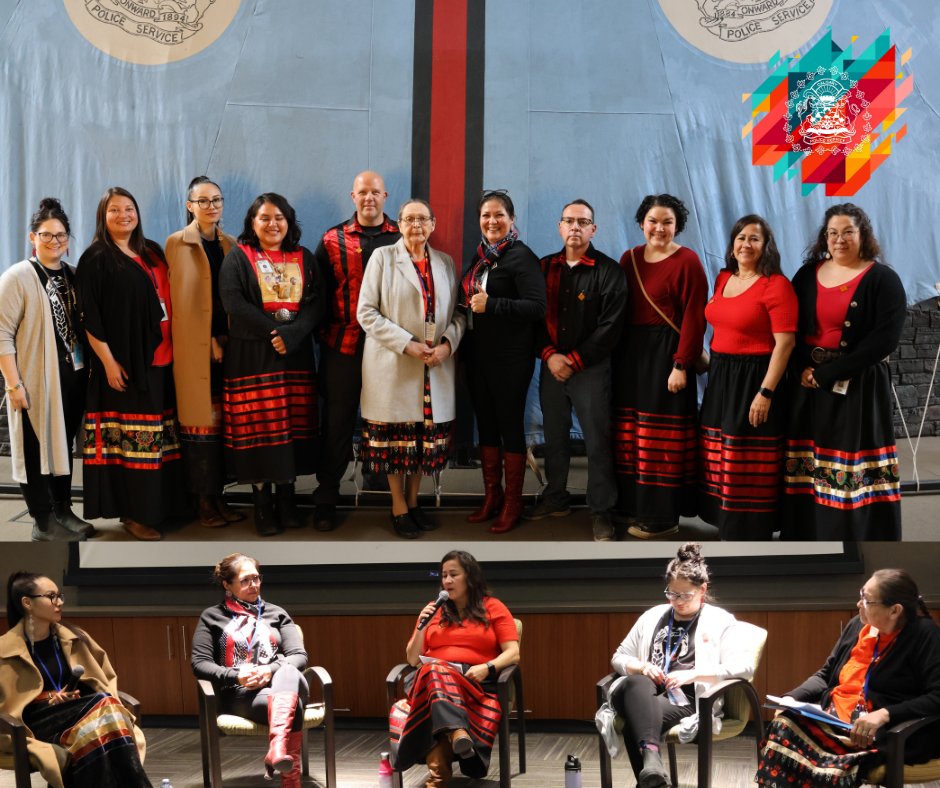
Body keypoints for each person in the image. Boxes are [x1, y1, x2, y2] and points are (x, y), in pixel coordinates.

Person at [783, 203, 906, 540]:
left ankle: (851, 538)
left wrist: (827, 374)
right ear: (825, 237)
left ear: (862, 234)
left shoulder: (883, 279)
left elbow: (883, 341)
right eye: (833, 233)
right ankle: (806, 536)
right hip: (807, 385)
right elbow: (788, 326)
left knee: (849, 464)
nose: (840, 239)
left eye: (848, 232)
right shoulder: (806, 274)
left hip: (858, 386)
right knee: (808, 463)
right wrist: (800, 369)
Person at [756, 569, 940, 787]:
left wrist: (884, 714)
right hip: (835, 718)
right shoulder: (858, 626)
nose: (859, 604)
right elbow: (826, 675)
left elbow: (937, 696)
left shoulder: (925, 635)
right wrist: (790, 698)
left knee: (828, 762)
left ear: (894, 611)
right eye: (862, 594)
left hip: (882, 732)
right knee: (782, 725)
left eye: (868, 600)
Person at [76, 186, 186, 541]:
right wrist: (108, 362)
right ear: (102, 217)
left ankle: (162, 509)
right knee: (134, 446)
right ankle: (134, 515)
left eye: (129, 208)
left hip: (163, 361)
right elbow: (88, 317)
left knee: (161, 441)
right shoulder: (96, 258)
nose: (123, 215)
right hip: (125, 366)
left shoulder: (151, 251)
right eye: (114, 210)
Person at [357, 199, 466, 538]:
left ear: (433, 224)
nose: (416, 224)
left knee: (421, 439)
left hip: (434, 366)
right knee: (395, 440)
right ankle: (397, 506)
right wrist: (407, 343)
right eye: (409, 218)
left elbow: (460, 313)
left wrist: (447, 343)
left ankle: (414, 501)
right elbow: (366, 313)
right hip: (394, 363)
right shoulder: (383, 258)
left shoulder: (445, 263)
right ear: (398, 224)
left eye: (422, 219)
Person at [608, 543, 758, 788]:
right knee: (637, 682)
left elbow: (744, 667)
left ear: (702, 589)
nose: (677, 602)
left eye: (685, 595)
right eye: (671, 594)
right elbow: (619, 657)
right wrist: (641, 667)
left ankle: (651, 771)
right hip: (644, 691)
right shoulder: (652, 616)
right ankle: (652, 765)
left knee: (638, 718)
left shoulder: (720, 620)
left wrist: (693, 674)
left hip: (685, 699)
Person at [219, 193, 325, 536]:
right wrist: (275, 331)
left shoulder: (304, 257)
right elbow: (233, 302)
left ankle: (287, 500)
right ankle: (262, 505)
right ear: (252, 222)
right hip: (253, 355)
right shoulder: (238, 257)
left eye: (279, 217)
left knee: (290, 427)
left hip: (294, 354)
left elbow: (317, 303)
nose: (272, 224)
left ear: (289, 221)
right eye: (264, 218)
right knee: (261, 429)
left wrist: (294, 334)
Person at [527, 199, 626, 541]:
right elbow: (532, 317)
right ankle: (556, 498)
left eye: (583, 222)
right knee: (554, 438)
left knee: (597, 441)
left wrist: (575, 361)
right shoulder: (542, 268)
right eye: (568, 220)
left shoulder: (609, 271)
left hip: (591, 370)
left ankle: (601, 512)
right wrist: (550, 355)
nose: (575, 227)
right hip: (552, 367)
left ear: (593, 229)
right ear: (559, 226)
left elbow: (610, 328)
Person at [612, 194, 707, 539]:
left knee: (659, 439)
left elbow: (695, 318)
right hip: (631, 357)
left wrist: (681, 364)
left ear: (677, 225)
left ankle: (661, 516)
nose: (659, 228)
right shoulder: (630, 258)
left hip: (667, 356)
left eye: (667, 222)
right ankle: (633, 505)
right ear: (641, 223)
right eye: (653, 221)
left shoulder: (688, 262)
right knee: (631, 434)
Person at [0, 198, 94, 542]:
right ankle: (42, 520)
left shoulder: (71, 275)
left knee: (62, 446)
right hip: (33, 383)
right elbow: (1, 333)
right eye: (46, 235)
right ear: (32, 237)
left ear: (68, 239)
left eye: (60, 236)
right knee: (34, 447)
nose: (54, 242)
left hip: (70, 378)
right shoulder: (18, 277)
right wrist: (14, 385)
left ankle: (63, 509)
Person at [1, 571, 150, 787]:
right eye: (51, 596)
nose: (59, 602)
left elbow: (103, 678)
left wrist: (76, 695)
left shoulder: (75, 637)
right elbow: (7, 708)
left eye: (60, 596)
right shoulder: (4, 650)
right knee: (104, 706)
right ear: (27, 603)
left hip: (81, 717)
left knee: (91, 730)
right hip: (31, 726)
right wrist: (45, 697)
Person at [698, 215, 797, 540]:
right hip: (722, 376)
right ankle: (727, 524)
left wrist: (765, 393)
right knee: (721, 452)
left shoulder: (777, 285)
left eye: (754, 239)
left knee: (747, 456)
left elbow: (785, 344)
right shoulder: (723, 277)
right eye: (741, 237)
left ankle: (749, 531)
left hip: (755, 378)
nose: (746, 244)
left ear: (766, 246)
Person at [312, 171, 400, 531]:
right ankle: (327, 495)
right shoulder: (332, 239)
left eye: (375, 192)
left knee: (388, 420)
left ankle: (386, 491)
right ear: (352, 196)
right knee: (336, 421)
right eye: (363, 192)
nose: (369, 198)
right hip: (343, 346)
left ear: (385, 196)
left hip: (390, 348)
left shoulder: (402, 235)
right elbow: (316, 293)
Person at [460, 190, 546, 534]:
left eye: (498, 215)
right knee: (487, 425)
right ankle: (491, 497)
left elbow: (537, 307)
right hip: (478, 355)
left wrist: (493, 305)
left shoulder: (522, 257)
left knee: (510, 427)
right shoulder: (482, 256)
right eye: (485, 216)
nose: (491, 221)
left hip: (511, 358)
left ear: (511, 219)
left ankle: (513, 503)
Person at [395, 550, 520, 787]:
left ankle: (439, 774)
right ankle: (457, 733)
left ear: (470, 577)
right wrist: (422, 625)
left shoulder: (493, 607)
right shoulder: (434, 609)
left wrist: (487, 667)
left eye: (453, 574)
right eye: (443, 575)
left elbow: (513, 652)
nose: (447, 581)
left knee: (436, 676)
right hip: (427, 676)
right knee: (434, 671)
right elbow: (412, 659)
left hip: (471, 680)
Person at [165, 176, 244, 528]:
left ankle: (220, 496)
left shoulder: (231, 244)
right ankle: (202, 501)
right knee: (199, 427)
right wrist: (210, 339)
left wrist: (225, 338)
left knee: (222, 426)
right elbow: (179, 303)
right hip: (195, 350)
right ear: (189, 205)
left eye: (216, 200)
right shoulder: (175, 244)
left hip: (231, 347)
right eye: (203, 201)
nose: (211, 206)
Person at [191, 553, 309, 788]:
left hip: (281, 684)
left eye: (256, 578)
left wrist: (269, 670)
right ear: (227, 584)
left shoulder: (276, 613)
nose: (253, 585)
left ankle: (276, 749)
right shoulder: (212, 617)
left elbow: (299, 656)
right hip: (240, 694)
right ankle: (289, 778)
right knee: (293, 706)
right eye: (245, 580)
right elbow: (200, 663)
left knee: (287, 670)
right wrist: (236, 675)